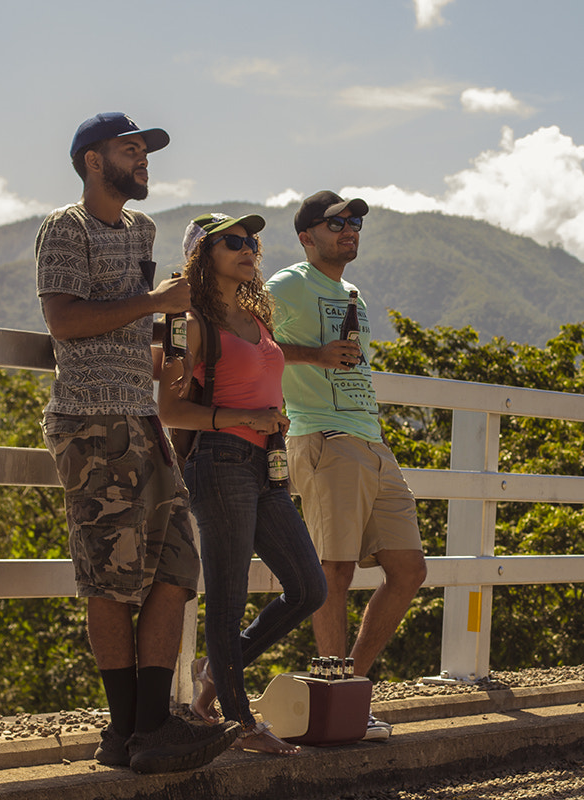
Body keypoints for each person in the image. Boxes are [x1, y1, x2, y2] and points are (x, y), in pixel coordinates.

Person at [36, 112, 240, 773]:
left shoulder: (144, 230)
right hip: (91, 422)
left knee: (178, 569)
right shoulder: (65, 228)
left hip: (143, 419)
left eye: (146, 150)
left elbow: (139, 318)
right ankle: (126, 733)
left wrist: (166, 342)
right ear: (94, 161)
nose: (144, 159)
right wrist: (154, 304)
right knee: (110, 578)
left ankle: (151, 728)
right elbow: (64, 320)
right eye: (132, 150)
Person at [157, 212, 327, 754]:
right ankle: (241, 723)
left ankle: (214, 674)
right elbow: (169, 409)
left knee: (307, 587)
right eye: (233, 241)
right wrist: (241, 419)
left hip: (267, 464)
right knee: (227, 599)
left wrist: (271, 420)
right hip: (221, 462)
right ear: (202, 255)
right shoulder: (193, 323)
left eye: (253, 240)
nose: (249, 247)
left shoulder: (258, 317)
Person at [265, 191, 428, 742]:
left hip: (371, 441)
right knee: (334, 572)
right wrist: (313, 356)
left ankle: (350, 688)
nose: (350, 228)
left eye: (355, 221)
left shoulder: (350, 291)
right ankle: (336, 706)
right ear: (307, 235)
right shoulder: (288, 284)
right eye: (337, 222)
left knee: (408, 570)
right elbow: (248, 341)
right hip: (324, 436)